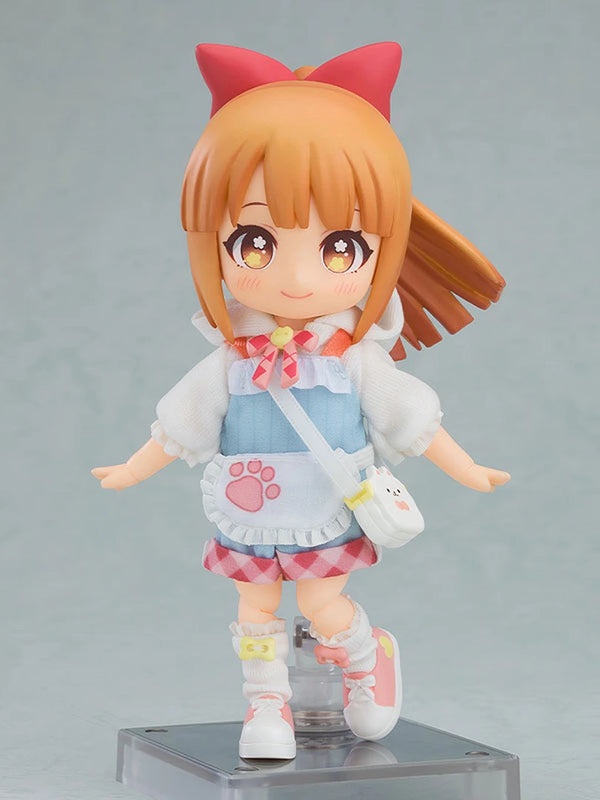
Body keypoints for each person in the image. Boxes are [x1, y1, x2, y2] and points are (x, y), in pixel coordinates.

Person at [92, 42, 510, 760]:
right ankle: (266, 707)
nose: (296, 277)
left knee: (324, 604)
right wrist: (134, 467)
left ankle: (365, 658)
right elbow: (183, 421)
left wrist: (465, 466)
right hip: (251, 511)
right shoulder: (231, 362)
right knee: (254, 608)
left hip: (326, 504)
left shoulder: (353, 362)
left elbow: (409, 415)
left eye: (340, 248)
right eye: (255, 242)